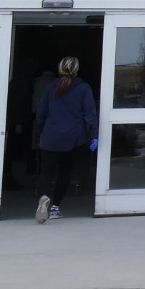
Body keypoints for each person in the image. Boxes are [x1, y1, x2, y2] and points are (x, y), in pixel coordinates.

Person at [33, 56, 97, 224]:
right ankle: (54, 207)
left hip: (50, 137)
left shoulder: (50, 87)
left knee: (46, 173)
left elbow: (41, 113)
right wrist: (93, 136)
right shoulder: (83, 88)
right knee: (64, 173)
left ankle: (43, 198)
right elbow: (89, 115)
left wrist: (42, 131)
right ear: (77, 70)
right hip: (72, 139)